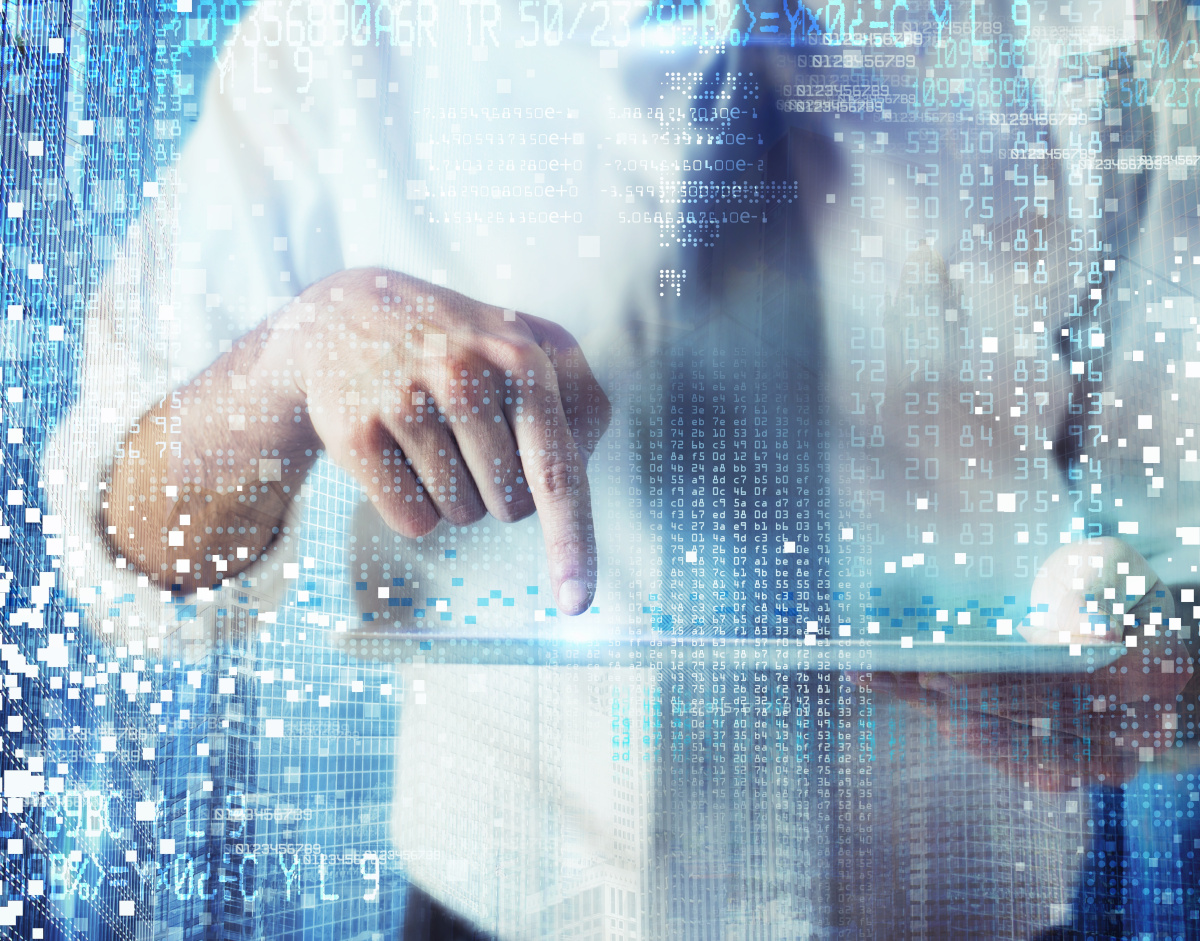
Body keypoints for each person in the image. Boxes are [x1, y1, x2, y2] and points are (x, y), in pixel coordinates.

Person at [44, 0, 1200, 935]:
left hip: (968, 907)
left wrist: (1165, 675)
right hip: (495, 905)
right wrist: (281, 363)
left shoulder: (1101, 38)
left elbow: (1181, 522)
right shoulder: (344, 35)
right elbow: (127, 562)